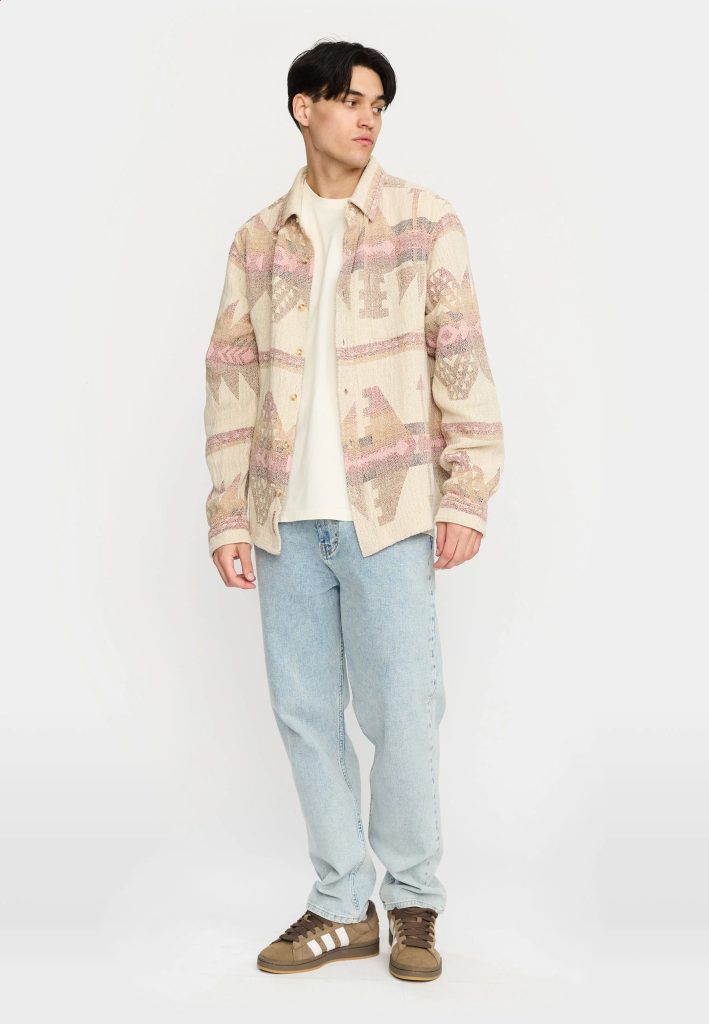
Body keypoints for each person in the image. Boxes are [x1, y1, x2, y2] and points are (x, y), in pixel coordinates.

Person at [203, 40, 504, 982]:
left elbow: (460, 354)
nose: (367, 117)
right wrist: (226, 512)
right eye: (349, 100)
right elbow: (229, 377)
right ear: (305, 108)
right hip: (283, 517)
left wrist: (468, 490)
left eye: (378, 104)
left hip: (389, 509)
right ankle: (342, 904)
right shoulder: (257, 239)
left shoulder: (423, 219)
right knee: (304, 713)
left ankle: (412, 901)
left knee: (403, 711)